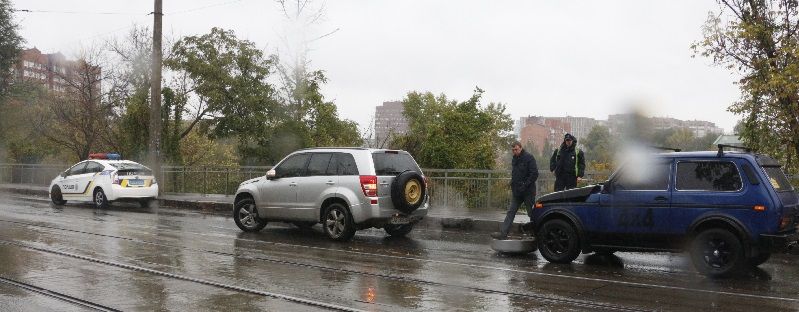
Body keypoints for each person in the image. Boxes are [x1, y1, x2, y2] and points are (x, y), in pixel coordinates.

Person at [491, 141, 538, 240]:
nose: (514, 151)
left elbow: (534, 174)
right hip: (517, 192)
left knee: (531, 214)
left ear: (521, 148)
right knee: (511, 212)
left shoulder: (529, 157)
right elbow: (515, 173)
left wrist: (525, 185)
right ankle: (503, 233)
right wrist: (512, 183)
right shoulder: (515, 159)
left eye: (516, 149)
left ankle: (537, 234)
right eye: (513, 150)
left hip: (528, 192)